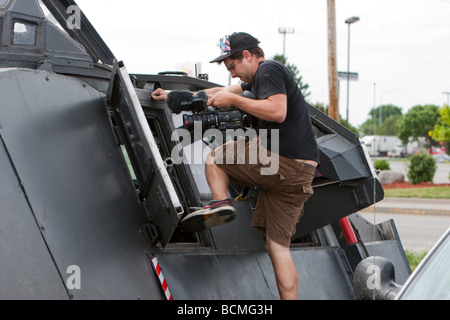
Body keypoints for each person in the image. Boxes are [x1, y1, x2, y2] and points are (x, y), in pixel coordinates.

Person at [152, 32, 319, 300]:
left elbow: (277, 111)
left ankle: (220, 202)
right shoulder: (257, 80)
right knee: (278, 248)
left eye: (233, 67)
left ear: (247, 56)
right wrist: (171, 95)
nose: (233, 75)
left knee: (216, 157)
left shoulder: (269, 70)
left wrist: (236, 101)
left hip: (282, 163)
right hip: (299, 177)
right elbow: (218, 92)